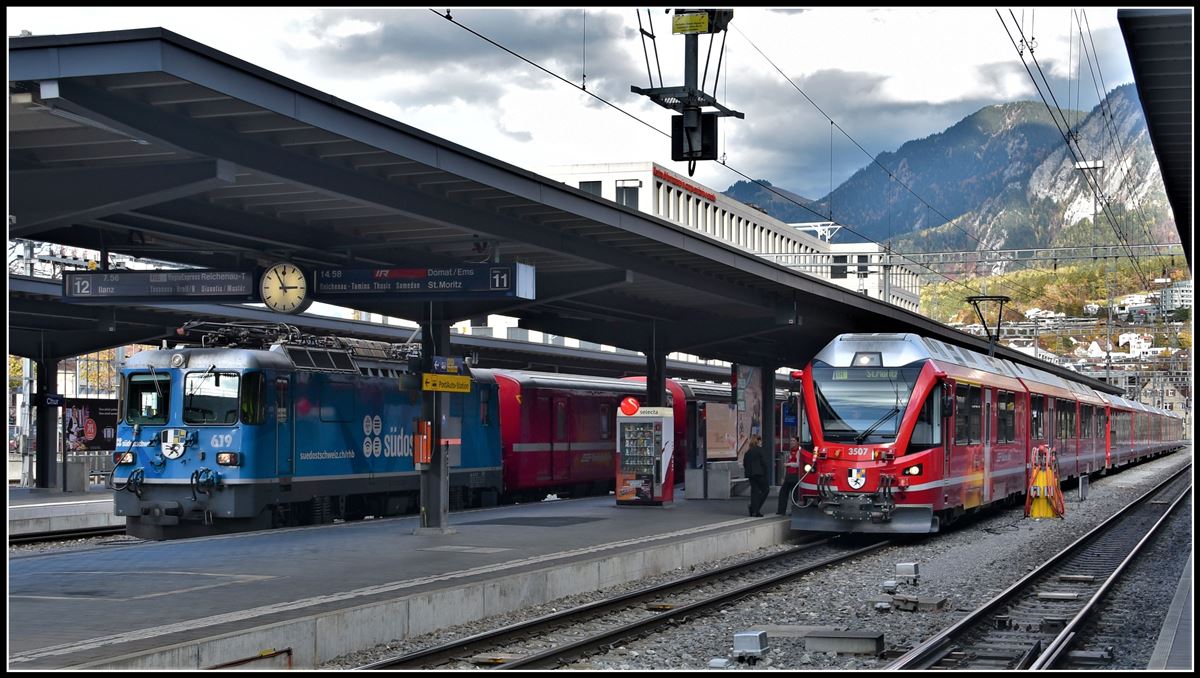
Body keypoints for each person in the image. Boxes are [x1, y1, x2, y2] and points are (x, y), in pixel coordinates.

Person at [742, 434, 769, 517]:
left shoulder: (748, 451)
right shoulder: (760, 450)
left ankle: (753, 510)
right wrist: (766, 473)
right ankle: (755, 509)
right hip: (759, 473)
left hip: (750, 474)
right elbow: (764, 463)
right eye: (761, 441)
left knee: (754, 492)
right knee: (765, 490)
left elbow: (745, 463)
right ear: (759, 441)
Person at [777, 436, 802, 515]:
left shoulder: (798, 451)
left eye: (793, 440)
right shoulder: (791, 451)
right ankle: (781, 511)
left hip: (795, 475)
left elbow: (798, 464)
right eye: (791, 440)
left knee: (793, 493)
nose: (792, 442)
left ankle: (792, 511)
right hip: (789, 474)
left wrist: (789, 464)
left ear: (797, 442)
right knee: (785, 492)